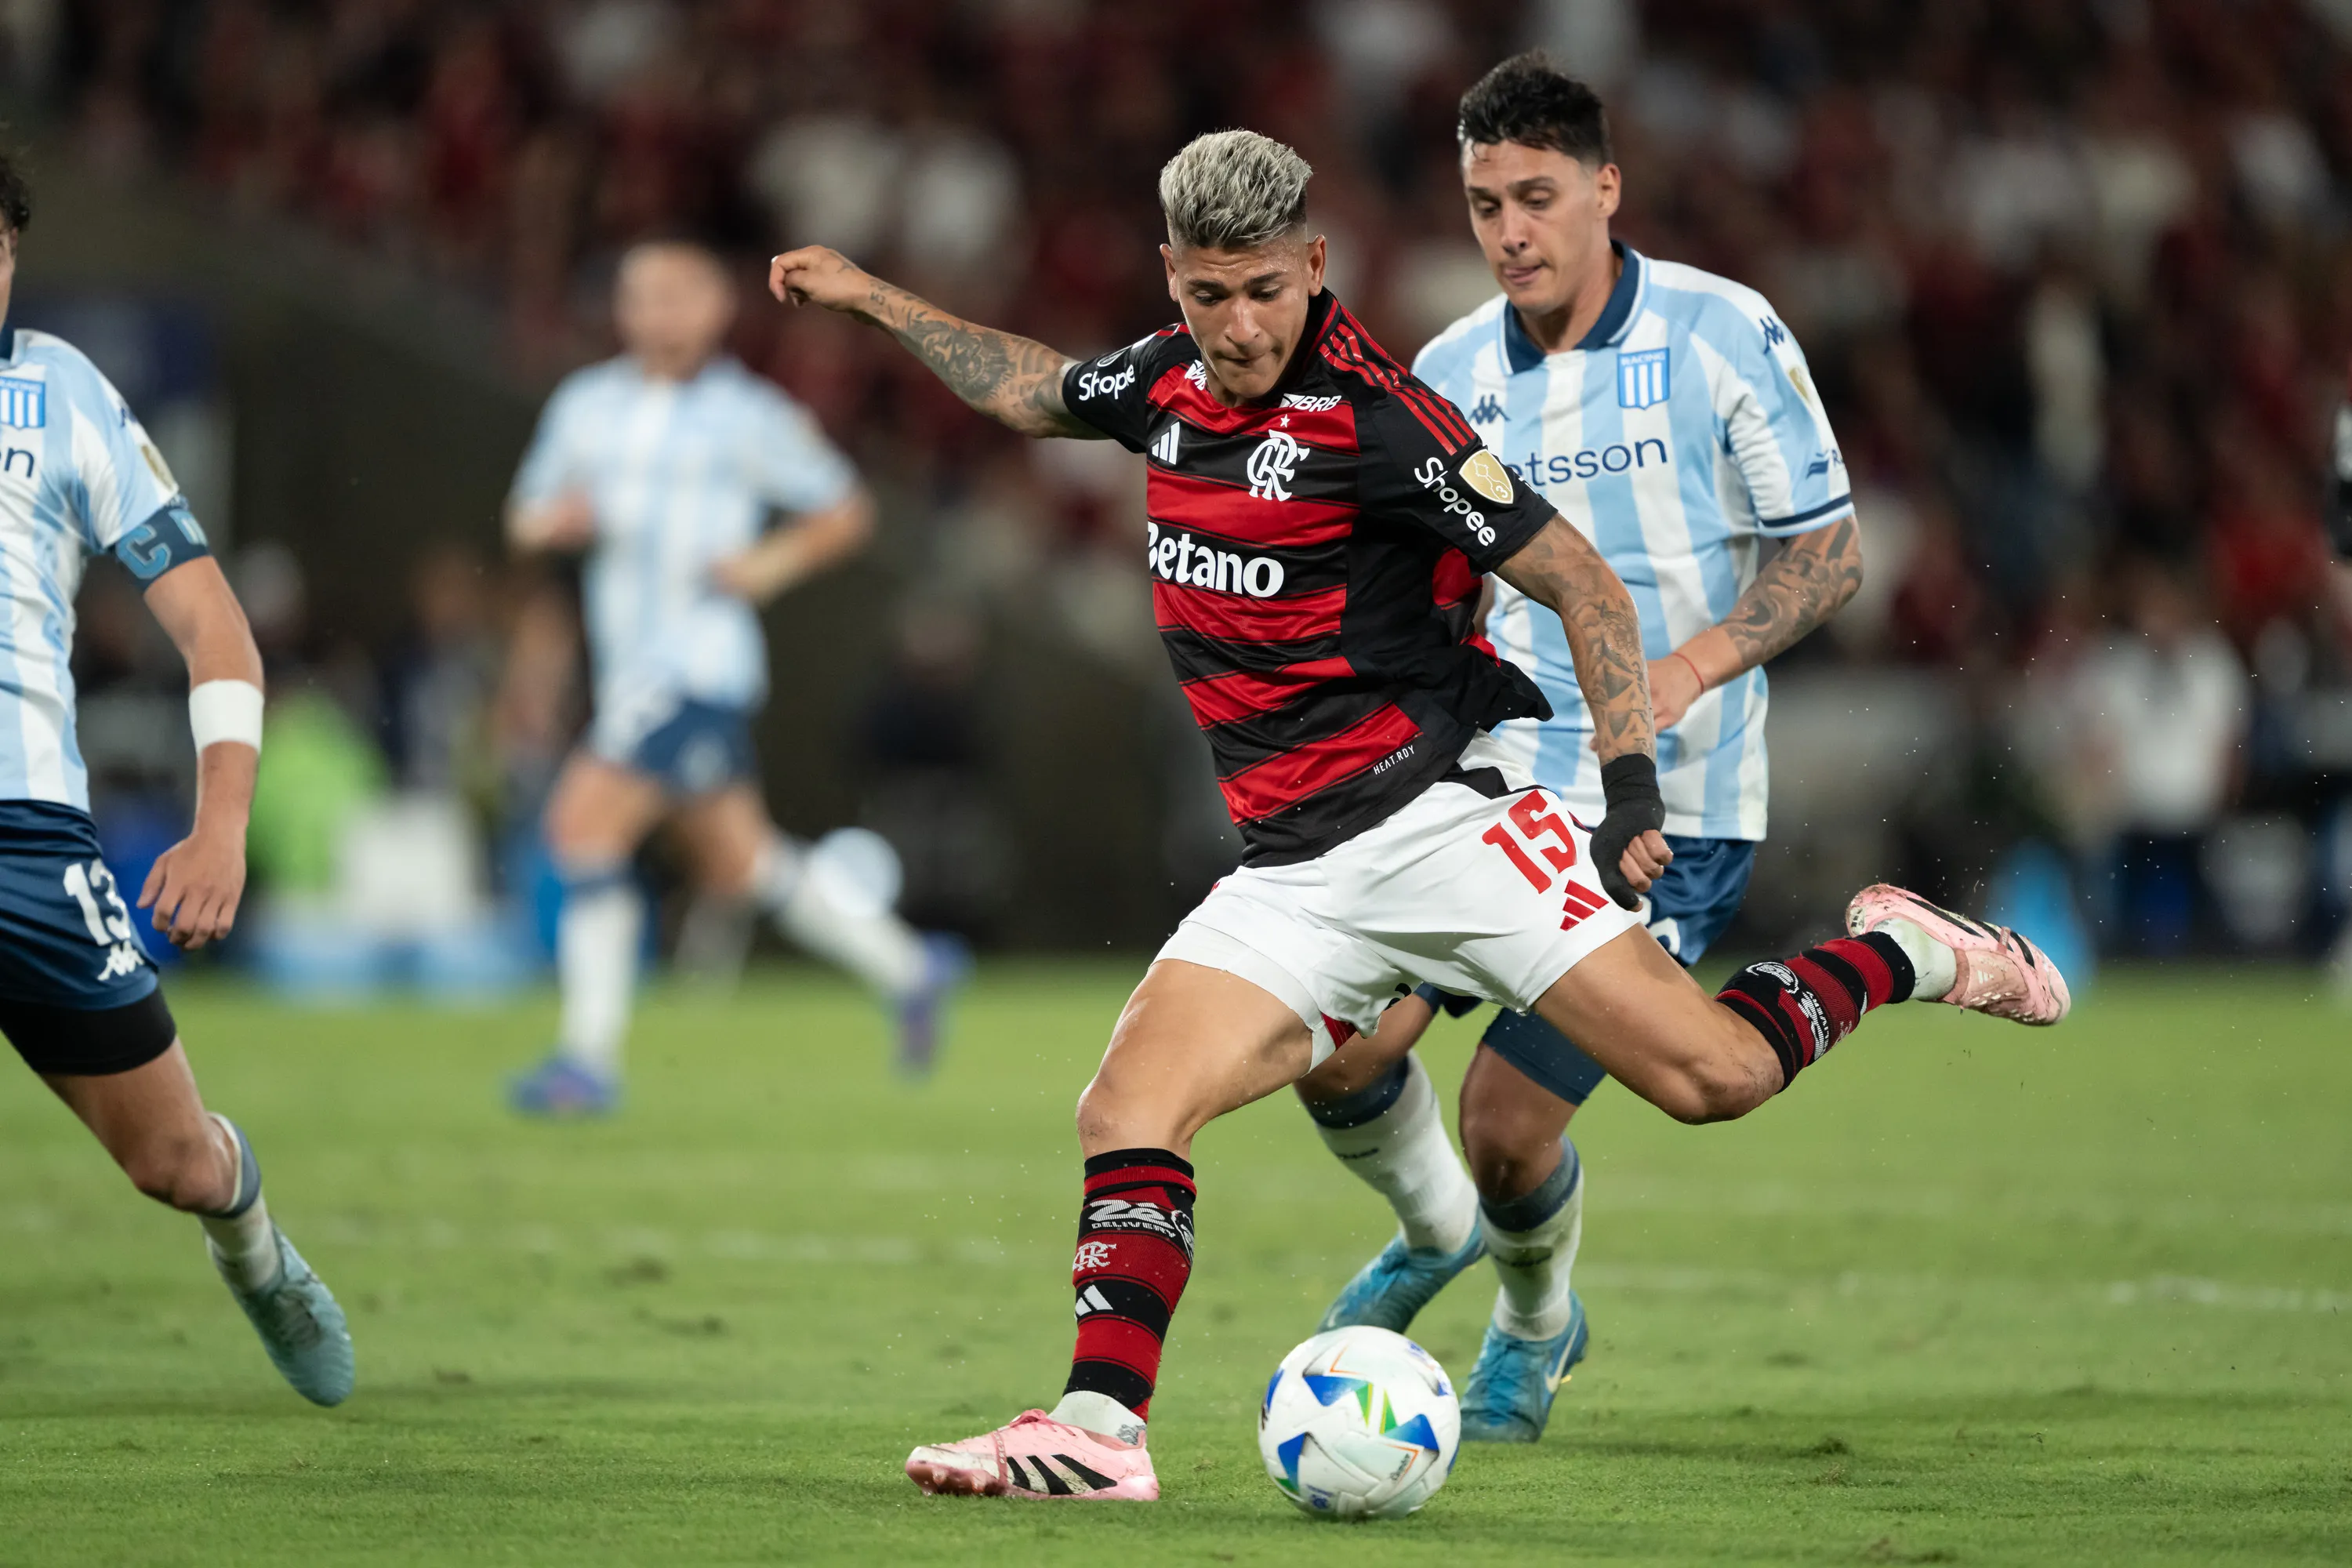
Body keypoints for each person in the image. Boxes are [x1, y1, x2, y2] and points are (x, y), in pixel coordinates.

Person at [770, 129, 2068, 1504]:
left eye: (1267, 289)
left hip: (1447, 836)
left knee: (1713, 1082)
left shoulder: (1381, 419)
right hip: (1293, 871)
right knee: (1127, 1105)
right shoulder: (1162, 380)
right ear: (1175, 281)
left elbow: (1584, 583)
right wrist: (877, 300)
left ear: (1314, 266)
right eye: (1211, 295)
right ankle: (1101, 1429)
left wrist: (1628, 787)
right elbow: (1036, 391)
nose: (1241, 324)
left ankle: (1910, 951)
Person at [1287, 53, 1869, 1443]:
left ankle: (1536, 1328)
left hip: (1672, 806)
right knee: (1340, 1056)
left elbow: (1829, 553)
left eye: (1537, 198)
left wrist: (1685, 667)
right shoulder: (1441, 371)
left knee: (1504, 1123)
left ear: (1607, 189)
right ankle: (1434, 1235)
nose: (1510, 233)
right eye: (1486, 203)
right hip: (1490, 785)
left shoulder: (1725, 332)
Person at [0, 154, 352, 1404]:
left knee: (174, 1166)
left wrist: (222, 828)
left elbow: (214, 629)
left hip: (27, 844)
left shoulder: (62, 395)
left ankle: (253, 1254)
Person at [504, 239, 966, 1114]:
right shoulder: (585, 406)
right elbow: (523, 515)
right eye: (644, 294)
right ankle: (911, 967)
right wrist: (551, 522)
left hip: (697, 666)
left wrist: (768, 563)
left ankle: (585, 1060)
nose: (661, 312)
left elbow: (846, 508)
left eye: (680, 294)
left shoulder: (748, 414)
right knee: (741, 862)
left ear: (718, 310)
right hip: (629, 670)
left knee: (581, 827)